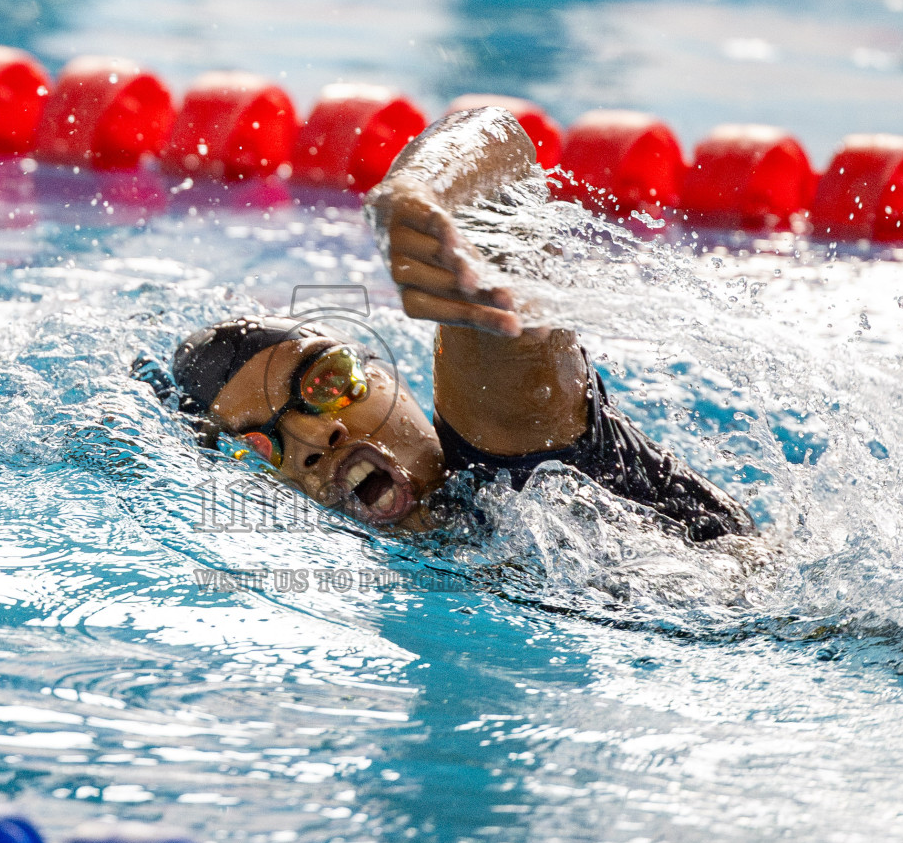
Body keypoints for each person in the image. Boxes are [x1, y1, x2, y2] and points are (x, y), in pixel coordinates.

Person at [156, 107, 755, 541]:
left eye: (324, 384)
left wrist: (423, 195)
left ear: (385, 374)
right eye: (258, 449)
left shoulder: (510, 460)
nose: (318, 441)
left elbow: (503, 151)